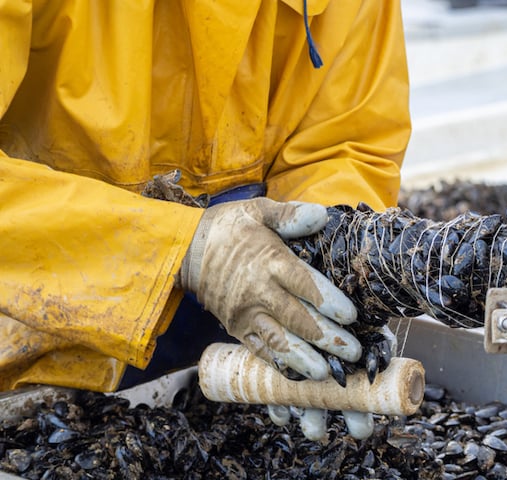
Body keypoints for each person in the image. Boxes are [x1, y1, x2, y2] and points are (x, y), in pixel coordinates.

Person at [0, 0, 411, 440]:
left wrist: (322, 269)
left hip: (235, 364)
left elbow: (344, 141)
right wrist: (179, 249)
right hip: (25, 357)